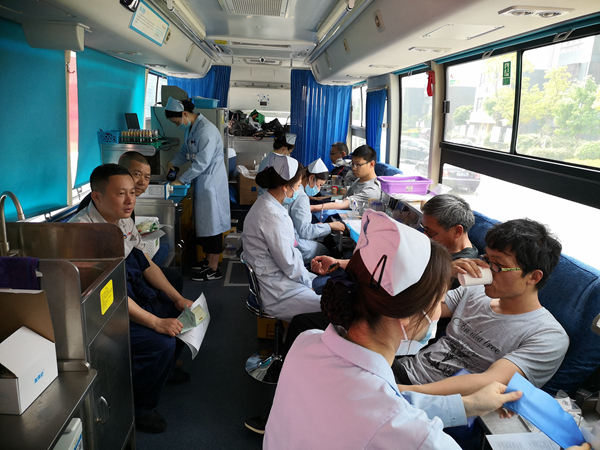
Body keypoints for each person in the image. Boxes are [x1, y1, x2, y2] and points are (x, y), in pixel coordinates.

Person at [264, 210, 524, 449]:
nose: (439, 311)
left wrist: (467, 404)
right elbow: (387, 412)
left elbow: (381, 402)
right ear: (407, 317)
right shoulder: (419, 438)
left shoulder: (306, 342)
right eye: (439, 300)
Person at [69, 164, 194, 434]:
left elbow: (144, 261)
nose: (130, 201)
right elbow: (109, 295)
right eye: (121, 194)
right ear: (97, 197)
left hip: (126, 286)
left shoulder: (122, 218)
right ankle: (141, 409)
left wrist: (177, 298)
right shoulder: (82, 234)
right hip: (100, 309)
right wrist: (155, 322)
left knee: (179, 309)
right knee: (160, 341)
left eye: (132, 193)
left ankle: (164, 370)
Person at [393, 218, 569, 396]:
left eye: (498, 265)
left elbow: (490, 381)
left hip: (438, 401)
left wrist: (403, 392)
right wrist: (444, 276)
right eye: (486, 259)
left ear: (533, 277)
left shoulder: (548, 336)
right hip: (403, 372)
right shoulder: (475, 291)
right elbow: (416, 313)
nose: (486, 269)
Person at [76, 151, 183, 293]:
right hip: (110, 278)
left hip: (125, 267)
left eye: (147, 177)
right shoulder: (90, 220)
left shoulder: (124, 211)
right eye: (137, 174)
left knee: (173, 280)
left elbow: (140, 252)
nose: (142, 182)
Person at [241, 154, 321, 322]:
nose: (298, 191)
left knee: (326, 287)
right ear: (285, 187)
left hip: (279, 279)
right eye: (297, 186)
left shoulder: (267, 204)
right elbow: (289, 263)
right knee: (331, 309)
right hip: (277, 292)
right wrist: (309, 284)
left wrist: (308, 278)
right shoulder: (272, 216)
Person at [165, 97, 231, 282]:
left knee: (213, 226)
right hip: (203, 183)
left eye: (177, 122)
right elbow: (185, 152)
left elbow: (202, 163)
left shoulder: (206, 131)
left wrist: (181, 180)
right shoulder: (193, 129)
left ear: (185, 114)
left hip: (212, 185)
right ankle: (208, 262)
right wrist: (172, 162)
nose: (178, 125)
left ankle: (214, 269)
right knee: (206, 225)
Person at [287, 158, 345, 263]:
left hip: (290, 236)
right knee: (326, 250)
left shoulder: (297, 192)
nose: (319, 189)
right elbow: (305, 232)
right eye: (320, 185)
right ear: (311, 178)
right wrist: (330, 226)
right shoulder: (301, 196)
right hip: (295, 243)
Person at [310, 144, 381, 214]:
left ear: (372, 164)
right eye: (352, 164)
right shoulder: (359, 180)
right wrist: (316, 199)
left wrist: (312, 208)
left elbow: (343, 203)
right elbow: (342, 198)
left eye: (358, 164)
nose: (354, 168)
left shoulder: (372, 191)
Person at [256, 132, 296, 197]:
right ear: (285, 149)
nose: (289, 155)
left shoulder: (268, 159)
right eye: (289, 152)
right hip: (268, 198)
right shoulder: (273, 163)